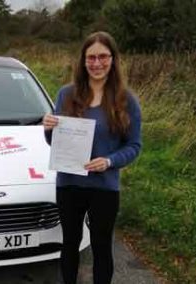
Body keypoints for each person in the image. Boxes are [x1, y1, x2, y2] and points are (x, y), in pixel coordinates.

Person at [43, 31, 142, 284]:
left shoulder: (126, 100)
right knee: (70, 244)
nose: (97, 63)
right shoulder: (66, 94)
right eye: (91, 57)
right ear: (83, 60)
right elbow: (54, 143)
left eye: (103, 57)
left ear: (113, 59)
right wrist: (48, 129)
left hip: (104, 187)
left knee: (101, 247)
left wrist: (109, 161)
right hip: (69, 184)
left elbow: (133, 145)